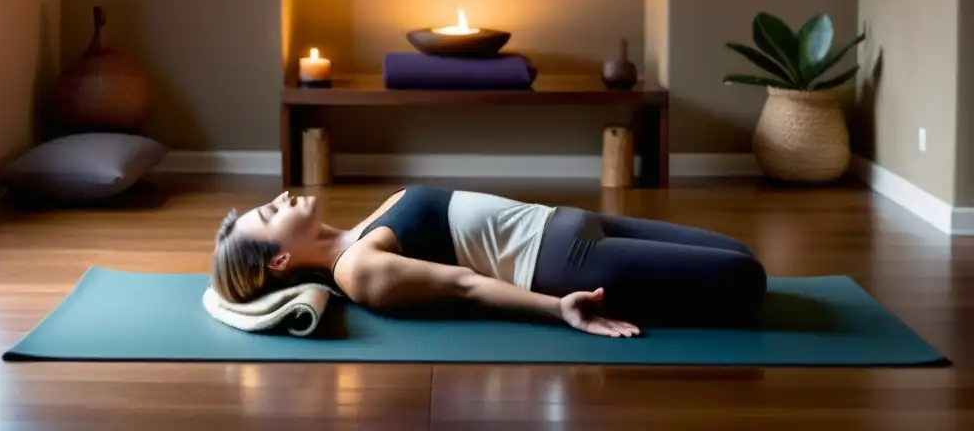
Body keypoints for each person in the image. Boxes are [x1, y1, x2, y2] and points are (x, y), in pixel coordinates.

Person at [211, 185, 767, 338]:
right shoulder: (359, 269)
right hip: (573, 261)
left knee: (738, 253)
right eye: (270, 211)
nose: (282, 196)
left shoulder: (361, 227)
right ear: (281, 258)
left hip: (574, 221)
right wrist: (558, 310)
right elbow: (465, 286)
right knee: (748, 278)